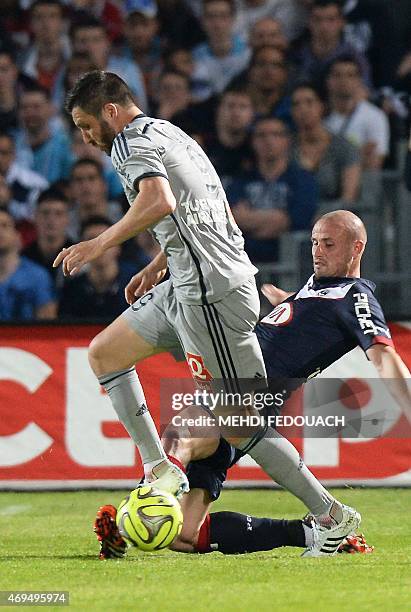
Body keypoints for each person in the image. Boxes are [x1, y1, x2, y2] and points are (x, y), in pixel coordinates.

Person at [56, 70, 361, 550]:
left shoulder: (128, 145)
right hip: (185, 281)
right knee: (105, 354)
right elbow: (198, 207)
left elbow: (158, 200)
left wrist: (98, 243)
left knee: (238, 424)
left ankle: (331, 515)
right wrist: (162, 260)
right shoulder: (170, 132)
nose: (86, 136)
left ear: (109, 111)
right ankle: (160, 469)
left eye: (85, 124)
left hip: (212, 294)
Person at [227, 117, 318, 263]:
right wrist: (274, 219)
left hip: (292, 260)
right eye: (261, 135)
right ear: (253, 141)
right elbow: (233, 219)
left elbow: (293, 220)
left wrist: (250, 221)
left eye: (276, 135)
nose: (268, 141)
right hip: (246, 261)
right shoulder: (241, 180)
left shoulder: (302, 179)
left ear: (287, 140)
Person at [59, 216, 148, 321]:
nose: (98, 248)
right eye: (90, 241)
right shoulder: (72, 290)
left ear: (118, 246)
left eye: (104, 241)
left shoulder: (138, 284)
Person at [291, 82, 361, 207]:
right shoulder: (286, 147)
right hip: (290, 220)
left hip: (332, 218)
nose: (303, 109)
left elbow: (348, 198)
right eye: (296, 104)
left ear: (321, 106)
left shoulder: (345, 147)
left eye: (309, 102)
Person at [324, 56, 390, 170]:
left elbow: (374, 164)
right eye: (337, 75)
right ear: (328, 81)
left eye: (350, 75)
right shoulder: (320, 117)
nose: (343, 80)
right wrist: (359, 155)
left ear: (359, 81)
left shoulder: (375, 117)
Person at [0, 208, 56, 320]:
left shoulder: (38, 276)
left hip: (26, 337)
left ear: (17, 236)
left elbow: (48, 322)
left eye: (5, 225)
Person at [14, 86, 74, 183]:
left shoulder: (65, 146)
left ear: (50, 109)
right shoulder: (11, 145)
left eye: (36, 107)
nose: (30, 112)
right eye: (24, 108)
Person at [22, 188, 71, 291]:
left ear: (67, 219)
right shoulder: (23, 257)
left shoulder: (76, 254)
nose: (51, 220)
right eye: (45, 213)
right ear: (35, 216)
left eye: (58, 213)